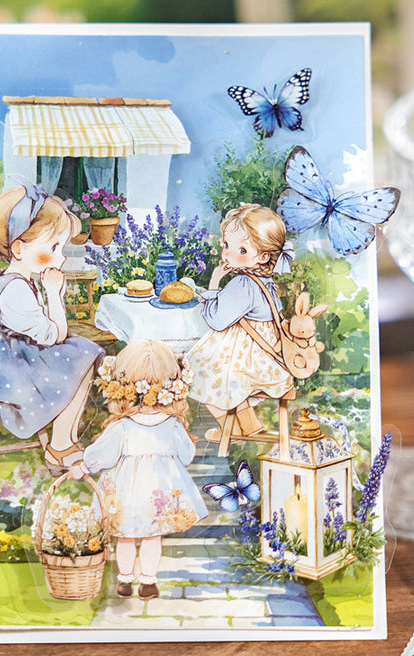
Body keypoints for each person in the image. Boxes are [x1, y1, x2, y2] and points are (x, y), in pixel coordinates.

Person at [0, 179, 104, 475]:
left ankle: (66, 440)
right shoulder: (15, 290)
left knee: (81, 351)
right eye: (53, 247)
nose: (60, 257)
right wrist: (55, 295)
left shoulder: (17, 280)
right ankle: (60, 445)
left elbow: (44, 331)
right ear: (19, 248)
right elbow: (53, 335)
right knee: (82, 354)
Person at [69, 339, 208, 600]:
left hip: (126, 490)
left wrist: (85, 466)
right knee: (152, 536)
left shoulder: (122, 425)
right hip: (158, 491)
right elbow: (187, 455)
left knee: (125, 536)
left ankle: (125, 580)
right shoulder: (172, 424)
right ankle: (147, 581)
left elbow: (103, 454)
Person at [185, 203, 296, 443]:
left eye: (242, 250)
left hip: (249, 363)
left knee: (194, 370)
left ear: (263, 257)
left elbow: (216, 320)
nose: (228, 254)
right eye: (226, 245)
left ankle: (230, 428)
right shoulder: (266, 282)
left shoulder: (243, 284)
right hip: (268, 360)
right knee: (215, 365)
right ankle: (249, 425)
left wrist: (214, 282)